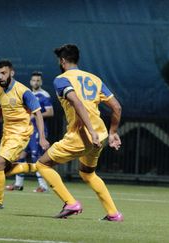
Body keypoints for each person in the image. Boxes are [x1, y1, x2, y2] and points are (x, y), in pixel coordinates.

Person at [35, 44, 123, 221]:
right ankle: (114, 213)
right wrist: (113, 132)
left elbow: (77, 102)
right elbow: (117, 107)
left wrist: (90, 131)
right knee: (88, 173)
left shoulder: (61, 80)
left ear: (62, 61)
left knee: (42, 165)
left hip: (81, 136)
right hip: (101, 135)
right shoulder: (94, 79)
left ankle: (70, 203)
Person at [0, 60, 49, 209]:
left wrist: (42, 138)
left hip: (21, 133)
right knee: (3, 169)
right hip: (7, 133)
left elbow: (38, 114)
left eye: (3, 73)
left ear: (11, 73)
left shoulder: (24, 91)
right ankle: (35, 167)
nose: (0, 76)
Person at [6, 71, 54, 192]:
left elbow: (50, 112)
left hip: (38, 131)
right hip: (26, 131)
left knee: (36, 158)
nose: (35, 82)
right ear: (30, 81)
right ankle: (18, 184)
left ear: (41, 82)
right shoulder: (27, 94)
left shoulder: (45, 95)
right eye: (34, 80)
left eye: (38, 80)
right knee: (20, 155)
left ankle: (43, 186)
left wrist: (35, 115)